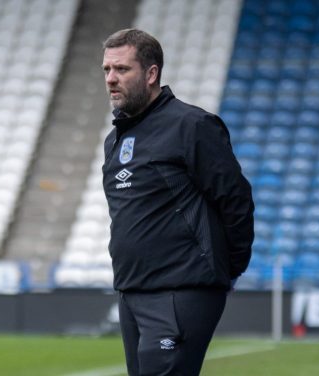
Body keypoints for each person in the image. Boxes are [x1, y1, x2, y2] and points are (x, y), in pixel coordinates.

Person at [101, 29, 254, 375]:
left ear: (151, 73)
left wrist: (228, 269)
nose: (111, 79)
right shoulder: (115, 139)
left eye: (122, 69)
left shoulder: (192, 125)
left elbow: (236, 201)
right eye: (107, 70)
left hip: (180, 290)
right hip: (131, 290)